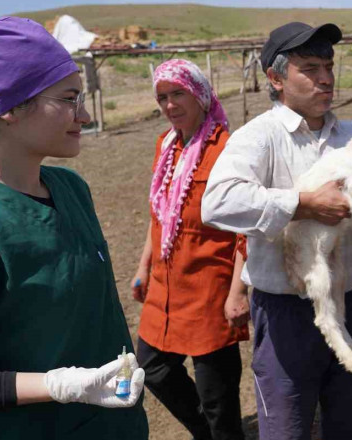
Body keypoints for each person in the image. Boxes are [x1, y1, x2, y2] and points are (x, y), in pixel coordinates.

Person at [0, 17, 147, 439]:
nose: (83, 114)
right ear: (7, 105)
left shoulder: (71, 189)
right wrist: (58, 386)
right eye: (68, 98)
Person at [201, 22, 352, 440]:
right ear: (276, 78)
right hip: (287, 314)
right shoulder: (258, 138)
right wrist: (302, 203)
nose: (326, 78)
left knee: (351, 424)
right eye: (311, 68)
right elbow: (218, 201)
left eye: (329, 66)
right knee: (287, 426)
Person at [129, 59, 249, 440]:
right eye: (162, 97)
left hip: (210, 291)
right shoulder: (165, 147)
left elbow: (247, 230)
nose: (169, 105)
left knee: (218, 395)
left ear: (199, 93)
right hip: (165, 287)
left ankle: (220, 433)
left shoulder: (229, 151)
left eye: (177, 93)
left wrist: (237, 293)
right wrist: (143, 267)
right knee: (151, 367)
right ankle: (210, 433)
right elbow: (159, 215)